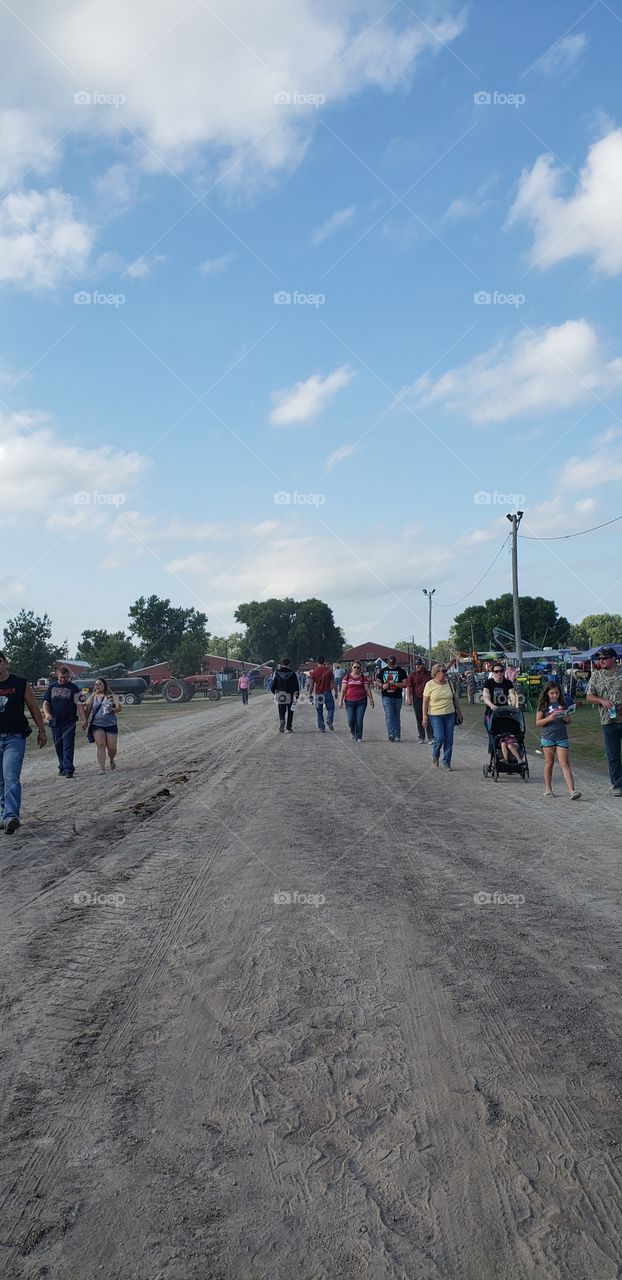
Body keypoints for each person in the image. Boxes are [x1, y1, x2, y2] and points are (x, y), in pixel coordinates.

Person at [0, 652, 48, 833]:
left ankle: (11, 816)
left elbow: (34, 708)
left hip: (14, 737)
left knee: (10, 776)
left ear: (5, 663)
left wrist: (42, 731)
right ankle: (2, 814)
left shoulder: (20, 683)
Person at [586, 647, 622, 795]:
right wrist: (601, 700)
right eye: (599, 658)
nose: (601, 661)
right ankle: (618, 784)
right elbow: (589, 696)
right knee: (613, 755)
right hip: (608, 720)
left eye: (604, 658)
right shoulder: (596, 675)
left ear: (613, 658)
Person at [536, 683, 581, 799]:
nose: (554, 695)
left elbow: (569, 721)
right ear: (547, 693)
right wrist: (549, 718)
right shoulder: (543, 705)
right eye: (552, 693)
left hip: (562, 737)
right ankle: (548, 789)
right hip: (548, 737)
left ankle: (572, 790)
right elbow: (538, 722)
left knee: (565, 763)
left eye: (556, 693)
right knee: (549, 763)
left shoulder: (563, 704)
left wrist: (567, 719)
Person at [42, 665, 87, 777]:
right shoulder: (51, 687)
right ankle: (62, 766)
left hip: (69, 721)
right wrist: (47, 713)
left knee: (68, 745)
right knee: (58, 746)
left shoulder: (75, 688)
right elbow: (46, 702)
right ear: (57, 675)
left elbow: (80, 704)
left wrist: (85, 719)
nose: (63, 679)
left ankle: (68, 769)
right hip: (55, 721)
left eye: (66, 677)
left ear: (69, 676)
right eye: (61, 677)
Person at [422, 663, 462, 769]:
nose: (445, 673)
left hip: (450, 714)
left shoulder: (449, 683)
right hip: (435, 715)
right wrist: (424, 717)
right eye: (443, 671)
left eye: (445, 671)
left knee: (449, 740)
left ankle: (447, 762)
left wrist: (459, 712)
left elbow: (455, 699)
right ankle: (435, 755)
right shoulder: (429, 684)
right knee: (439, 738)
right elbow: (425, 702)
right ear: (436, 672)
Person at [83, 678, 122, 773]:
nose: (97, 686)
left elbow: (119, 708)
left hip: (111, 724)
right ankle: (102, 768)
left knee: (112, 748)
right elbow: (87, 710)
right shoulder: (92, 697)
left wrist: (113, 710)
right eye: (96, 684)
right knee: (101, 745)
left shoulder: (111, 696)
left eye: (100, 684)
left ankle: (111, 759)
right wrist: (85, 721)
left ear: (104, 686)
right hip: (97, 725)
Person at [482, 661, 518, 751]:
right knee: (493, 736)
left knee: (506, 735)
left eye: (501, 671)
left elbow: (512, 694)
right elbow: (485, 697)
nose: (499, 673)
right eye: (496, 672)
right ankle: (493, 755)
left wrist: (513, 705)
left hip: (504, 713)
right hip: (491, 714)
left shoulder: (508, 683)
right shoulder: (488, 683)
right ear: (493, 673)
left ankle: (507, 754)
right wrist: (491, 705)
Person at [338, 661, 374, 741]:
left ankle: (359, 736)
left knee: (359, 719)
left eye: (358, 668)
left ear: (360, 669)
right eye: (355, 667)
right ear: (352, 668)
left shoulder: (363, 677)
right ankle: (353, 732)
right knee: (350, 720)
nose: (356, 669)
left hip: (361, 701)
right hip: (349, 701)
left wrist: (371, 699)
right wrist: (340, 701)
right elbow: (343, 690)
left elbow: (367, 689)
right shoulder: (347, 677)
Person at [376, 654, 408, 742]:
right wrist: (382, 685)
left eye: (393, 663)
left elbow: (405, 683)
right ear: (387, 662)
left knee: (396, 716)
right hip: (387, 696)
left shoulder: (401, 671)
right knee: (389, 716)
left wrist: (396, 684)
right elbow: (377, 681)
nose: (391, 665)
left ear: (395, 662)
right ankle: (391, 734)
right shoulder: (383, 671)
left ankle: (397, 734)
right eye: (390, 663)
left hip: (397, 696)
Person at [405, 657, 433, 743]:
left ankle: (431, 737)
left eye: (419, 665)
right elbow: (409, 686)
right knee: (419, 717)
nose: (417, 666)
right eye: (416, 665)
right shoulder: (412, 675)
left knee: (428, 718)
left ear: (423, 665)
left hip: (429, 699)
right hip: (417, 698)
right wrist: (408, 697)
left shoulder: (429, 674)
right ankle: (421, 736)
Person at [308, 657, 337, 733]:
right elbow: (333, 682)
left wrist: (310, 693)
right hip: (327, 692)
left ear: (316, 662)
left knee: (319, 711)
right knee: (331, 708)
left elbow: (311, 684)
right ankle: (329, 719)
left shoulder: (314, 672)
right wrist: (336, 692)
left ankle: (321, 728)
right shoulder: (329, 671)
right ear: (324, 662)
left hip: (318, 693)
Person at [271, 658, 299, 733]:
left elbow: (274, 685)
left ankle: (282, 720)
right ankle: (289, 727)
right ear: (288, 665)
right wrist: (296, 695)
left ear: (281, 664)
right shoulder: (292, 673)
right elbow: (296, 685)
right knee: (290, 711)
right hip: (290, 694)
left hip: (281, 694)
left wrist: (274, 692)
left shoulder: (277, 673)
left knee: (281, 710)